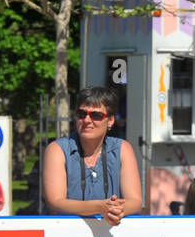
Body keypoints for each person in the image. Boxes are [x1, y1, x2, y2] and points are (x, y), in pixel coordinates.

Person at [42, 86, 142, 225]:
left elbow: (136, 201)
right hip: (63, 234)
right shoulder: (57, 149)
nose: (87, 120)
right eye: (82, 114)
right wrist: (99, 208)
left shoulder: (123, 149)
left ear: (111, 120)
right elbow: (56, 202)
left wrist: (115, 211)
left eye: (96, 115)